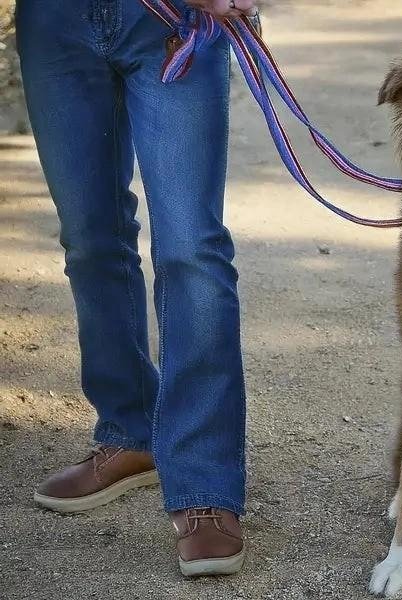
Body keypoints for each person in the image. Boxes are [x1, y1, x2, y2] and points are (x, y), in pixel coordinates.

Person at [16, 0, 259, 577]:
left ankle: (205, 484)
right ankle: (129, 432)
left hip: (170, 18)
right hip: (53, 19)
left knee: (190, 247)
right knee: (90, 238)